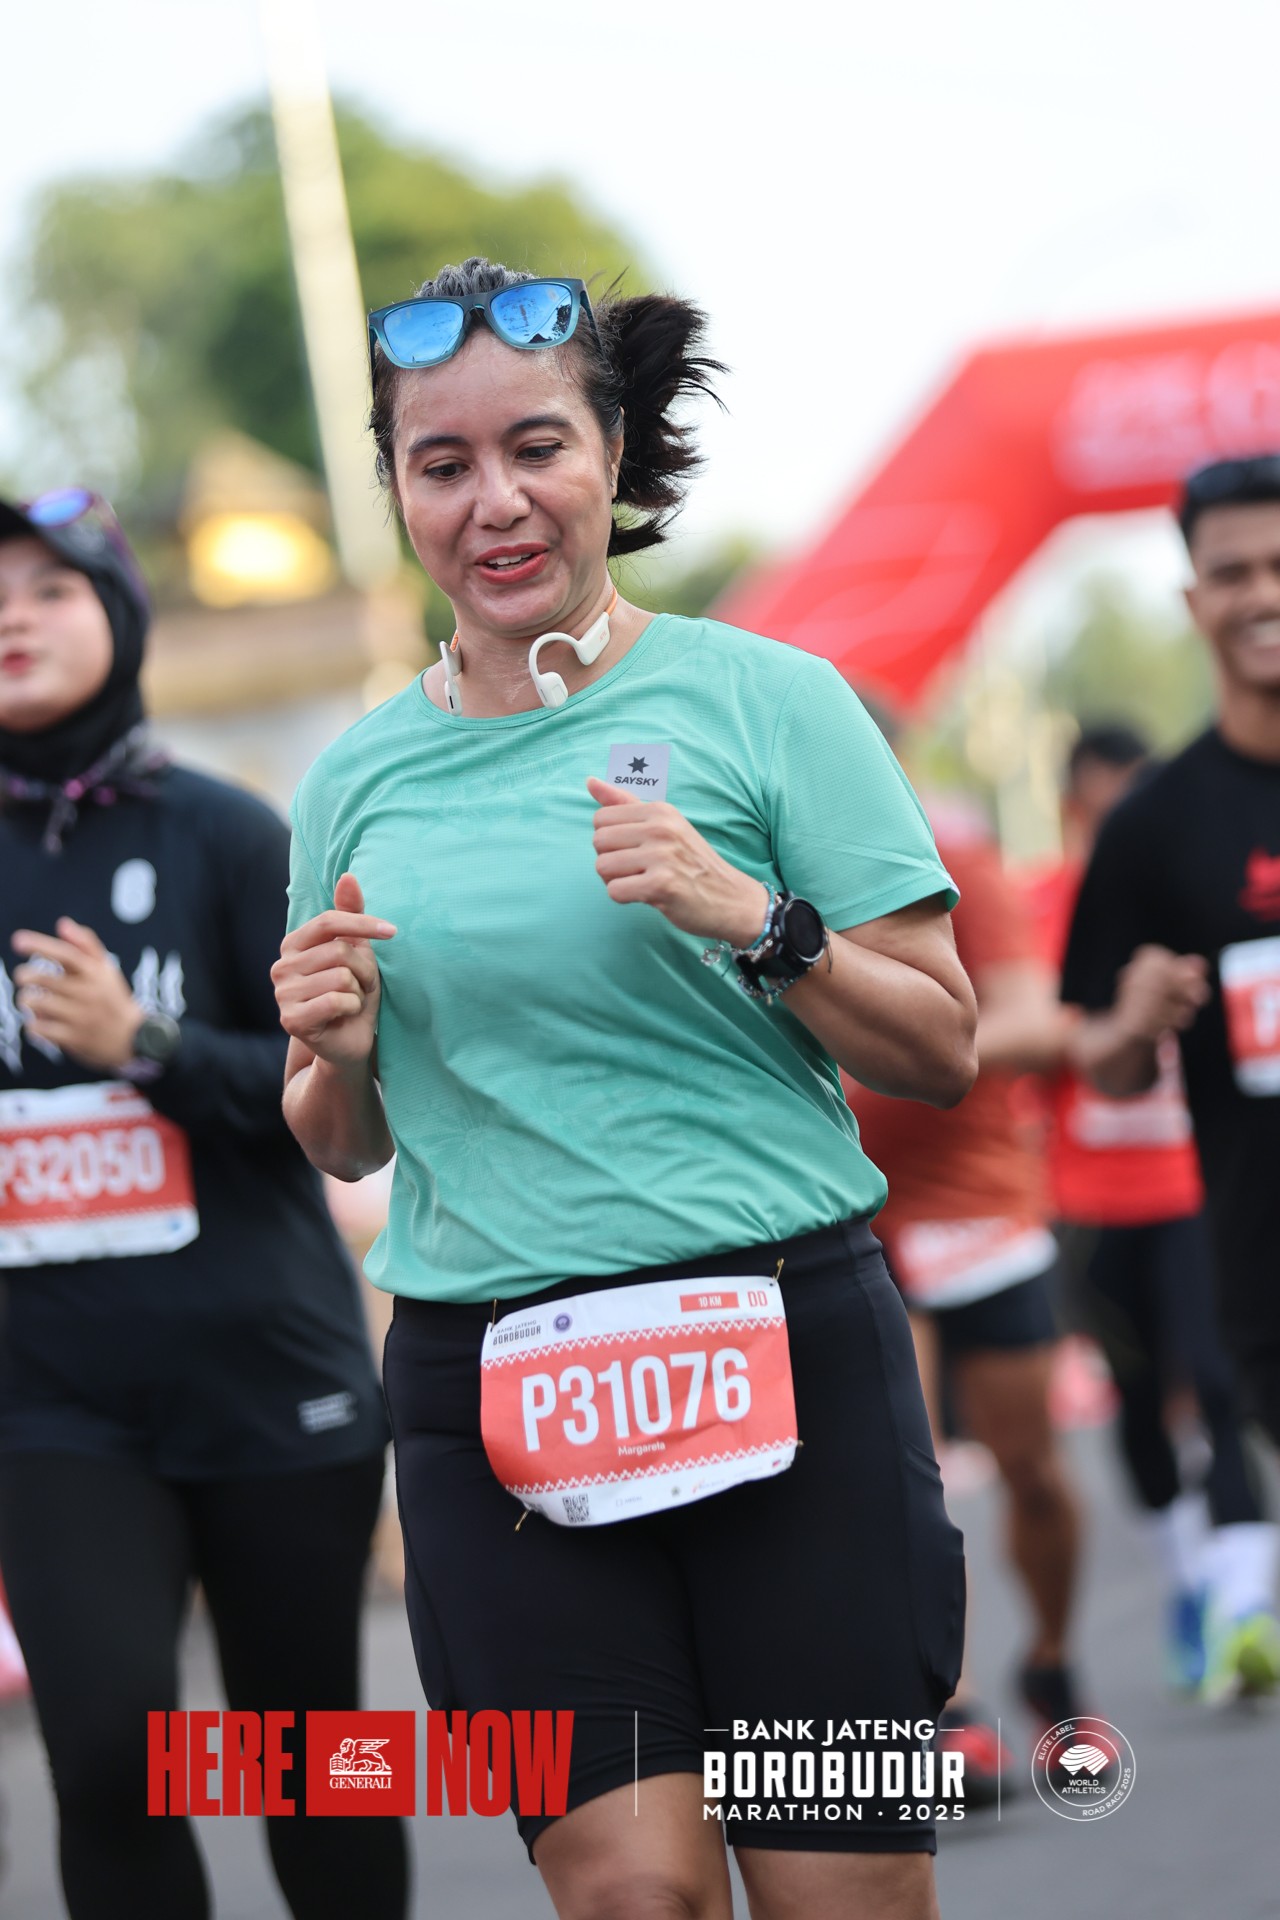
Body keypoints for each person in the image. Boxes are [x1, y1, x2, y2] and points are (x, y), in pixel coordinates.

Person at [275, 258, 977, 1920]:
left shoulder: (771, 701)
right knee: (630, 1897)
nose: (495, 501)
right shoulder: (353, 779)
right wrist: (336, 1054)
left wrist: (755, 920)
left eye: (537, 447)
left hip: (781, 1354)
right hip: (498, 1391)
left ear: (612, 454)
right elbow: (344, 1137)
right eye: (442, 465)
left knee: (838, 1897)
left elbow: (941, 1045)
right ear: (397, 491)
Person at [0, 491, 407, 1920]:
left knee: (313, 1759)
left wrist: (144, 1044)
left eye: (49, 588)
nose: (11, 617)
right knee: (110, 1760)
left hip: (266, 1378)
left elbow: (339, 1100)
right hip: (50, 1406)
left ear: (120, 618)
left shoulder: (227, 834)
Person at [1062, 456, 1280, 1694]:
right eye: (1230, 572)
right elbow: (1097, 1057)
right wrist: (1130, 1021)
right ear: (1193, 598)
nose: (1259, 595)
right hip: (1259, 1268)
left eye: (1277, 567)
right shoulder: (1152, 826)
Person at [1028, 725, 1277, 1700]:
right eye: (1102, 808)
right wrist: (1105, 1024)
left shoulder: (1194, 868)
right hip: (1093, 1206)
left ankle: (1243, 1611)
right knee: (1137, 1410)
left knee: (1218, 1384)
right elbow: (1026, 1026)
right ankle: (1188, 1587)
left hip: (1189, 1190)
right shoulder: (1058, 903)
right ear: (1071, 811)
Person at [847, 807, 1085, 1801]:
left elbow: (1033, 1021)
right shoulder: (734, 857)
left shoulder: (943, 853)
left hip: (973, 1205)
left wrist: (884, 1037)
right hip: (842, 1212)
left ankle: (1049, 1658)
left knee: (1032, 1472)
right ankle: (952, 1708)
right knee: (905, 1479)